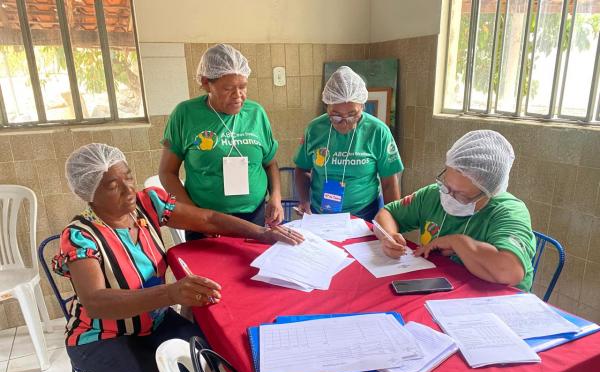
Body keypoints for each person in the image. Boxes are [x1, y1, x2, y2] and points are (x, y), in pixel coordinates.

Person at [53, 143, 303, 372]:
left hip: (153, 323)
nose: (128, 190)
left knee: (209, 348)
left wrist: (262, 233)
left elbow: (208, 219)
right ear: (88, 194)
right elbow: (96, 302)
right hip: (100, 337)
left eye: (128, 177)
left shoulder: (146, 205)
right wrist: (171, 292)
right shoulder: (80, 236)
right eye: (113, 186)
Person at [374, 130, 536, 291]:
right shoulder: (434, 195)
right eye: (447, 185)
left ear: (489, 192)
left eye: (461, 194)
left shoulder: (508, 213)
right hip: (443, 290)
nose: (449, 196)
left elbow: (510, 272)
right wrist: (388, 237)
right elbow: (387, 213)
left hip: (496, 303)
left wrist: (457, 242)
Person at [160, 44, 284, 240]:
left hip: (253, 216)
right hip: (205, 219)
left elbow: (270, 163)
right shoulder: (185, 114)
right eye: (228, 88)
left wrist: (275, 197)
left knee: (252, 269)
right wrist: (194, 215)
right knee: (208, 270)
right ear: (206, 83)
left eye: (243, 87)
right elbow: (167, 173)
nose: (238, 95)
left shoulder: (256, 113)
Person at [293, 66, 403, 221]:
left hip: (365, 213)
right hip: (321, 214)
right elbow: (302, 169)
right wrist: (304, 200)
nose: (344, 123)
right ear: (327, 106)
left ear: (363, 106)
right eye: (336, 116)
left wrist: (395, 222)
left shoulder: (377, 131)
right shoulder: (315, 129)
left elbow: (389, 183)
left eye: (352, 115)